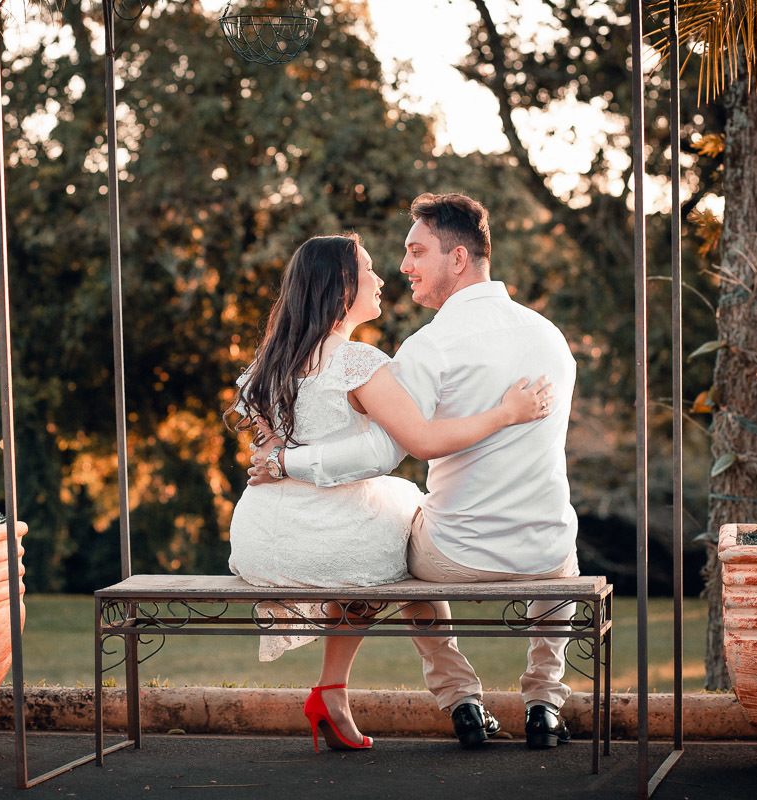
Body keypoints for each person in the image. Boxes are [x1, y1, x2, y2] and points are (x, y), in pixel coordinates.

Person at [249, 193, 580, 751]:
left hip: (457, 552)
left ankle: (460, 699)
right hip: (543, 551)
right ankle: (545, 703)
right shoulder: (551, 337)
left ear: (457, 259)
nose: (403, 267)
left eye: (415, 251)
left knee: (397, 540)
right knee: (563, 551)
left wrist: (285, 460)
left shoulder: (428, 346)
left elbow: (387, 451)